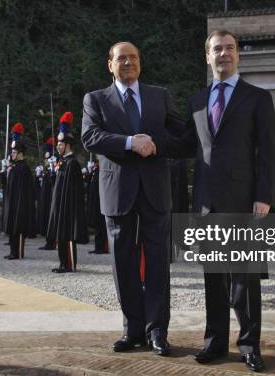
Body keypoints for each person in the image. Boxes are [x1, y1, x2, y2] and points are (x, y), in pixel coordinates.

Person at [171, 30, 275, 371]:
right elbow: (187, 144)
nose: (224, 54)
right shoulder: (197, 101)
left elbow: (269, 152)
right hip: (206, 204)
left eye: (229, 48)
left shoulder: (258, 98)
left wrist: (264, 196)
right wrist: (146, 141)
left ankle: (249, 345)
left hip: (244, 202)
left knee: (244, 280)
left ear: (238, 55)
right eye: (217, 49)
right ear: (207, 57)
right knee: (214, 278)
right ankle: (214, 342)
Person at [81, 41, 183, 356]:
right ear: (109, 64)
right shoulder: (96, 99)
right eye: (121, 58)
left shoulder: (159, 95)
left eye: (134, 58)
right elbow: (90, 137)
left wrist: (157, 143)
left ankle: (157, 332)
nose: (128, 62)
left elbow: (180, 135)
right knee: (123, 263)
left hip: (155, 191)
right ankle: (132, 330)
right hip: (118, 193)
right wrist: (128, 142)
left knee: (157, 264)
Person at [47, 112, 87, 273]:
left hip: (68, 207)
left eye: (61, 144)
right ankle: (62, 263)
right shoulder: (63, 162)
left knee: (67, 235)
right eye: (58, 144)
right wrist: (52, 172)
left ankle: (69, 264)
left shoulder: (72, 164)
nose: (58, 146)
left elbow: (73, 190)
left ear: (68, 145)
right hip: (59, 205)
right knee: (60, 235)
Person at [2, 122, 36, 260]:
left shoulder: (24, 168)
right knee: (12, 228)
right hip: (13, 202)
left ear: (20, 153)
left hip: (20, 204)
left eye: (14, 152)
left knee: (19, 229)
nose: (12, 154)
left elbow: (25, 190)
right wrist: (4, 172)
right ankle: (12, 251)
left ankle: (18, 252)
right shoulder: (15, 167)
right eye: (12, 152)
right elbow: (8, 186)